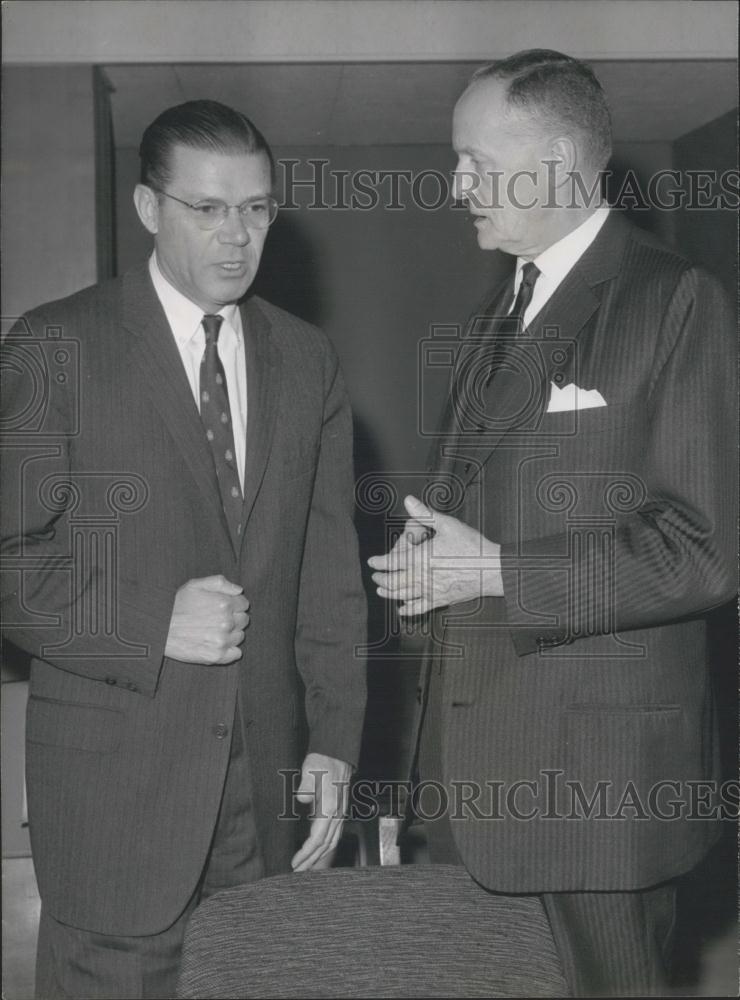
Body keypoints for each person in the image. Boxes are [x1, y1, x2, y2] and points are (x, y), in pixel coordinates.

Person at [369, 50, 735, 997]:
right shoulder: (502, 307)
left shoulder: (676, 300)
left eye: (477, 164)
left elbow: (707, 551)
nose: (457, 187)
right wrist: (431, 559)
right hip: (466, 788)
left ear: (564, 164)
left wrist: (497, 571)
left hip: (595, 794)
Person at [1, 100, 366, 999]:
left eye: (256, 208)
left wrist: (334, 741)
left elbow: (328, 568)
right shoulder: (56, 345)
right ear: (148, 208)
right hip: (115, 799)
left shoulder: (306, 357)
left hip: (267, 795)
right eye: (207, 209)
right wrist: (148, 621)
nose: (237, 236)